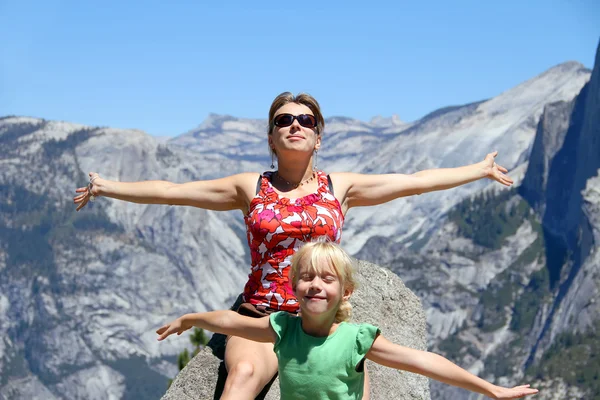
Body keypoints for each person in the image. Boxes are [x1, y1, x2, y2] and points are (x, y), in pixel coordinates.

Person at [73, 92, 514, 398]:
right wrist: (108, 186)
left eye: (306, 121)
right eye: (284, 120)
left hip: (322, 315)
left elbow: (413, 183)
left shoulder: (339, 186)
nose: (295, 125)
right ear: (271, 137)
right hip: (263, 314)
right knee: (241, 376)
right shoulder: (250, 187)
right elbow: (172, 190)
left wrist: (477, 170)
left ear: (318, 137)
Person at [156, 240, 538, 400]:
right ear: (293, 287)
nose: (316, 286)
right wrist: (190, 319)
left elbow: (424, 362)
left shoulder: (357, 339)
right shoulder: (281, 328)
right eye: (306, 277)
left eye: (327, 279)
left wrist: (491, 390)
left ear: (346, 292)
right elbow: (230, 322)